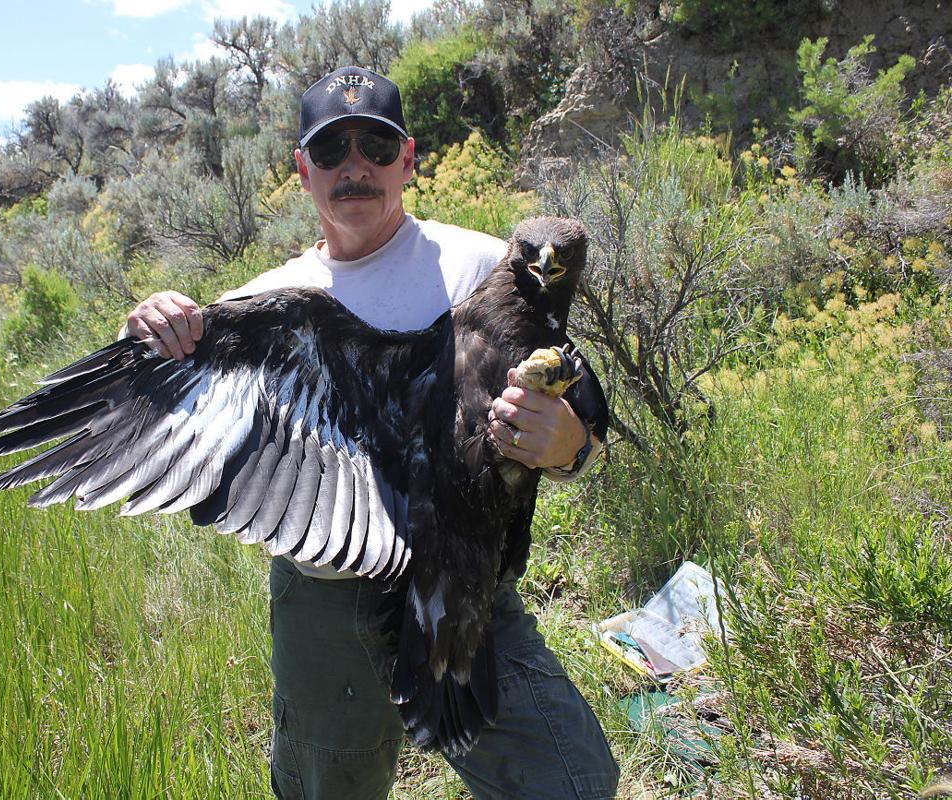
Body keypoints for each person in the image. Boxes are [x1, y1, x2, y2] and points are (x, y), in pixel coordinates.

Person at [124, 67, 620, 800]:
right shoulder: (262, 305)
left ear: (408, 159)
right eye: (331, 151)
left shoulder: (493, 266)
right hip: (328, 598)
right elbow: (155, 399)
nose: (355, 167)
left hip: (465, 580)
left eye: (376, 147)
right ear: (304, 171)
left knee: (571, 783)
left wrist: (568, 444)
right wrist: (145, 338)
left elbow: (585, 422)